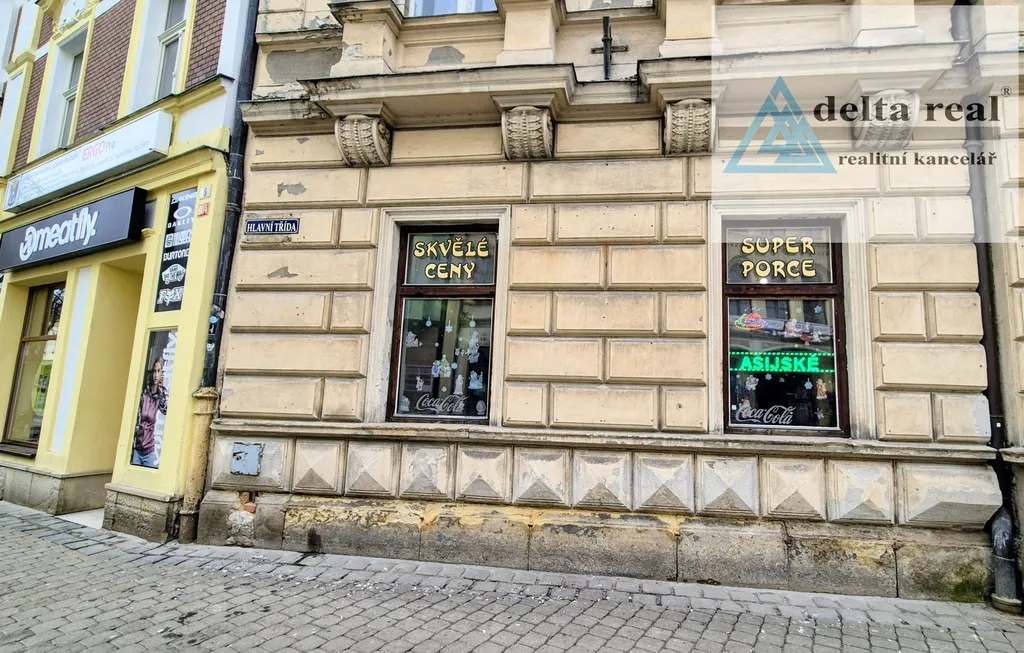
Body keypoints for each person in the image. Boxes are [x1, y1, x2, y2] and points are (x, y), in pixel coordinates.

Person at [132, 358, 168, 467]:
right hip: (136, 449)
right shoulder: (144, 393)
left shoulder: (159, 397)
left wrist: (162, 390)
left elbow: (166, 410)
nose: (155, 375)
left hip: (149, 450)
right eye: (154, 371)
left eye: (158, 371)